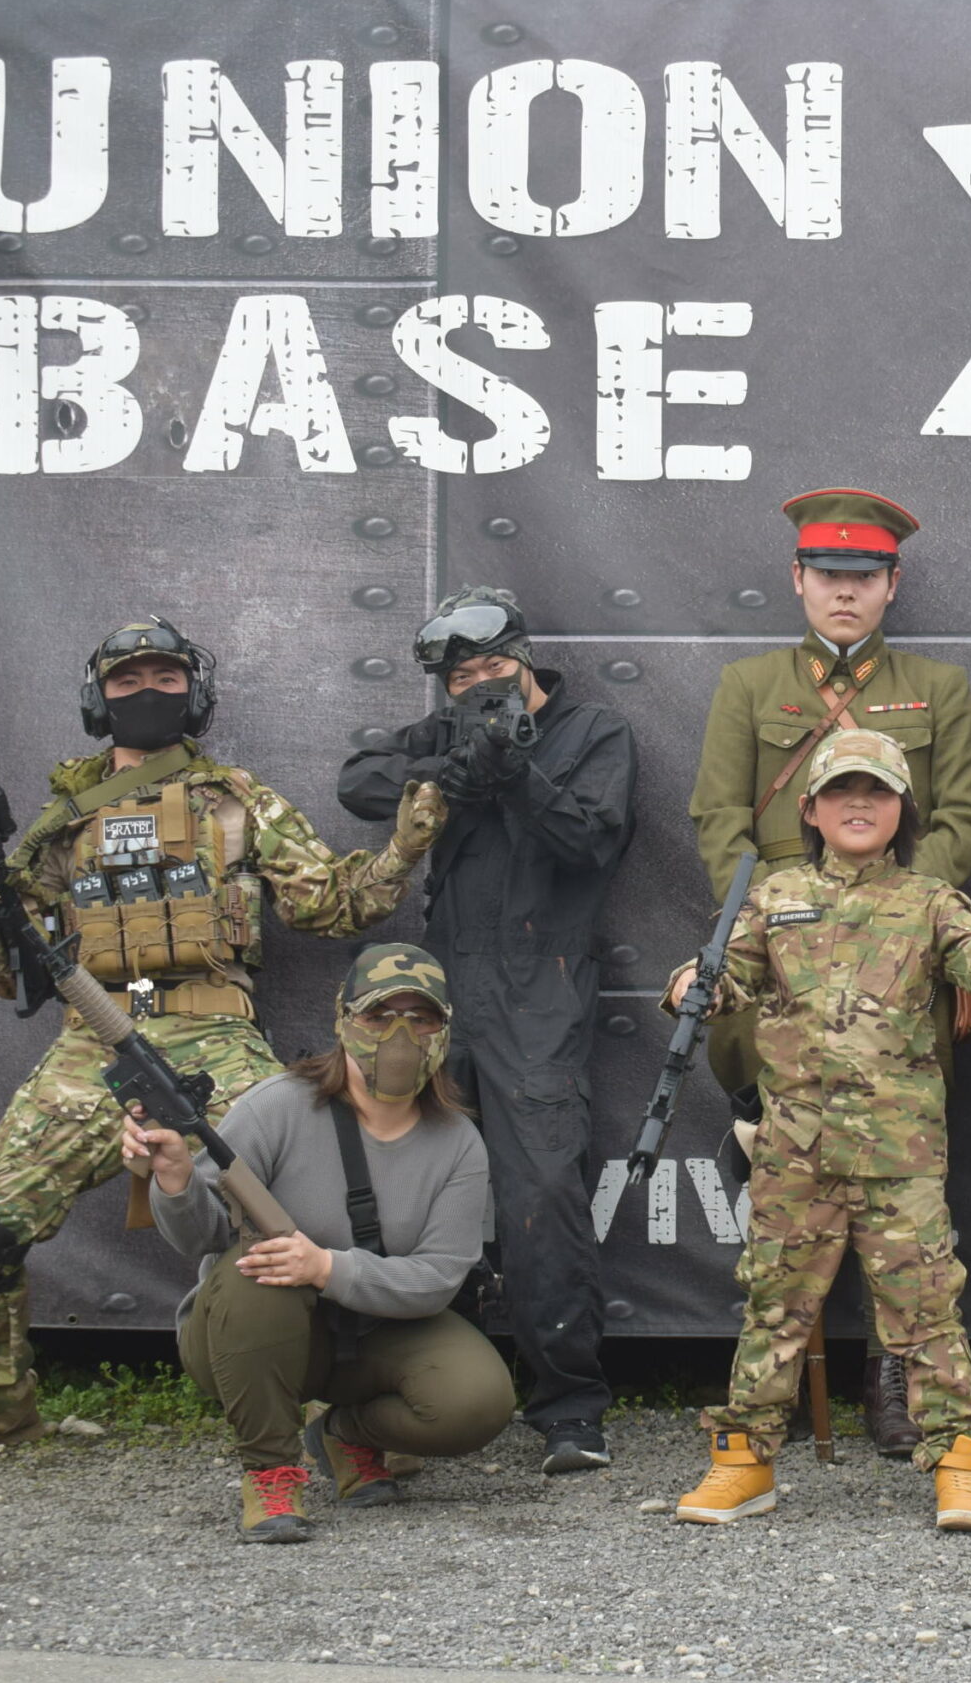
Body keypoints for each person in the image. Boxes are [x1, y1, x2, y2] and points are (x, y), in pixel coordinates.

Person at [0, 619, 444, 1457]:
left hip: (215, 1033)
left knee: (304, 1216)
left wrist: (402, 849)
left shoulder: (236, 800)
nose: (147, 691)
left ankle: (342, 1410)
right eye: (127, 680)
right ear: (97, 699)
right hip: (94, 1040)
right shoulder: (61, 829)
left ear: (195, 692)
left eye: (166, 677)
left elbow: (332, 904)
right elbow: (5, 972)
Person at [669, 730, 971, 1532]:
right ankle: (744, 1462)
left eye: (876, 791)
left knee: (926, 1308)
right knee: (773, 1304)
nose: (858, 804)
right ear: (809, 809)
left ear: (902, 811)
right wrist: (692, 983)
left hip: (898, 1153)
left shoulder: (930, 900)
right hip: (795, 1151)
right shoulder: (773, 896)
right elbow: (727, 976)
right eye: (841, 790)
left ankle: (961, 1464)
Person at [689, 488, 971, 1456]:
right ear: (798, 579)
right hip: (781, 974)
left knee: (901, 1190)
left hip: (900, 979)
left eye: (864, 576)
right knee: (792, 1183)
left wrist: (896, 919)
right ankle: (774, 1386)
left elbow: (964, 815)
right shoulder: (750, 685)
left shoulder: (936, 687)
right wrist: (778, 922)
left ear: (892, 584)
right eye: (828, 574)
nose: (845, 592)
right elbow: (720, 818)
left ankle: (894, 1376)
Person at [338, 587, 636, 1474]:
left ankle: (570, 1406)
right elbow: (358, 780)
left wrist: (515, 773)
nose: (480, 683)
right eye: (462, 675)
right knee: (405, 1181)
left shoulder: (595, 732)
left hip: (540, 982)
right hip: (442, 986)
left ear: (526, 654)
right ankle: (395, 1395)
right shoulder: (444, 731)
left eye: (494, 665)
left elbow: (593, 840)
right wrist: (455, 770)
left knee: (542, 1188)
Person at [125, 945, 510, 1542]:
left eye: (421, 1018)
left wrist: (326, 1267)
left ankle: (344, 1436)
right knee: (262, 1267)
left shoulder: (458, 1141)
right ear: (344, 1021)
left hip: (373, 1336)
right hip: (246, 1335)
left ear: (444, 1031)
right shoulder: (277, 1105)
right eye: (378, 1016)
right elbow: (203, 1236)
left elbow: (437, 1279)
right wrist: (174, 1180)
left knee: (477, 1400)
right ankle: (270, 1473)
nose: (400, 1036)